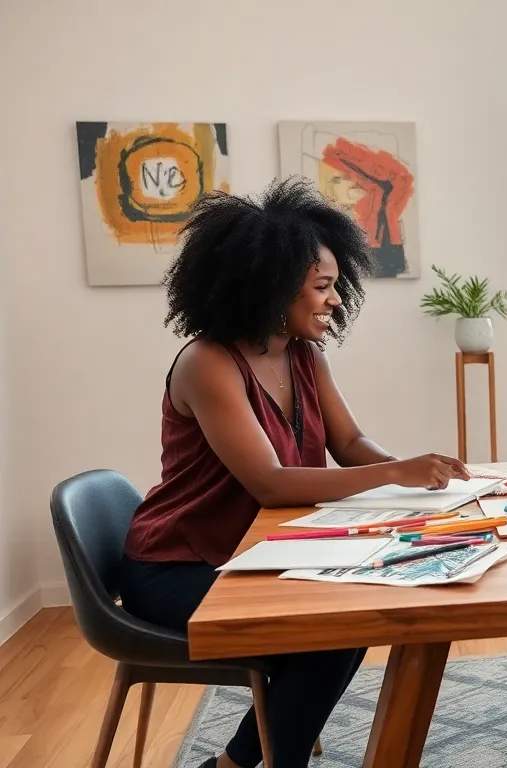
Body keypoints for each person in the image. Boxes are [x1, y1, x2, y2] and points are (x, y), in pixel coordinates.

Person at [118, 178, 469, 768]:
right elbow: (271, 482)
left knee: (343, 618)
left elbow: (349, 442)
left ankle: (234, 764)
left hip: (252, 554)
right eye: (323, 287)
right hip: (178, 565)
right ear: (272, 287)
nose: (336, 301)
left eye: (337, 286)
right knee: (329, 627)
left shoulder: (304, 354)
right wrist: (396, 475)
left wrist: (424, 475)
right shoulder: (208, 363)